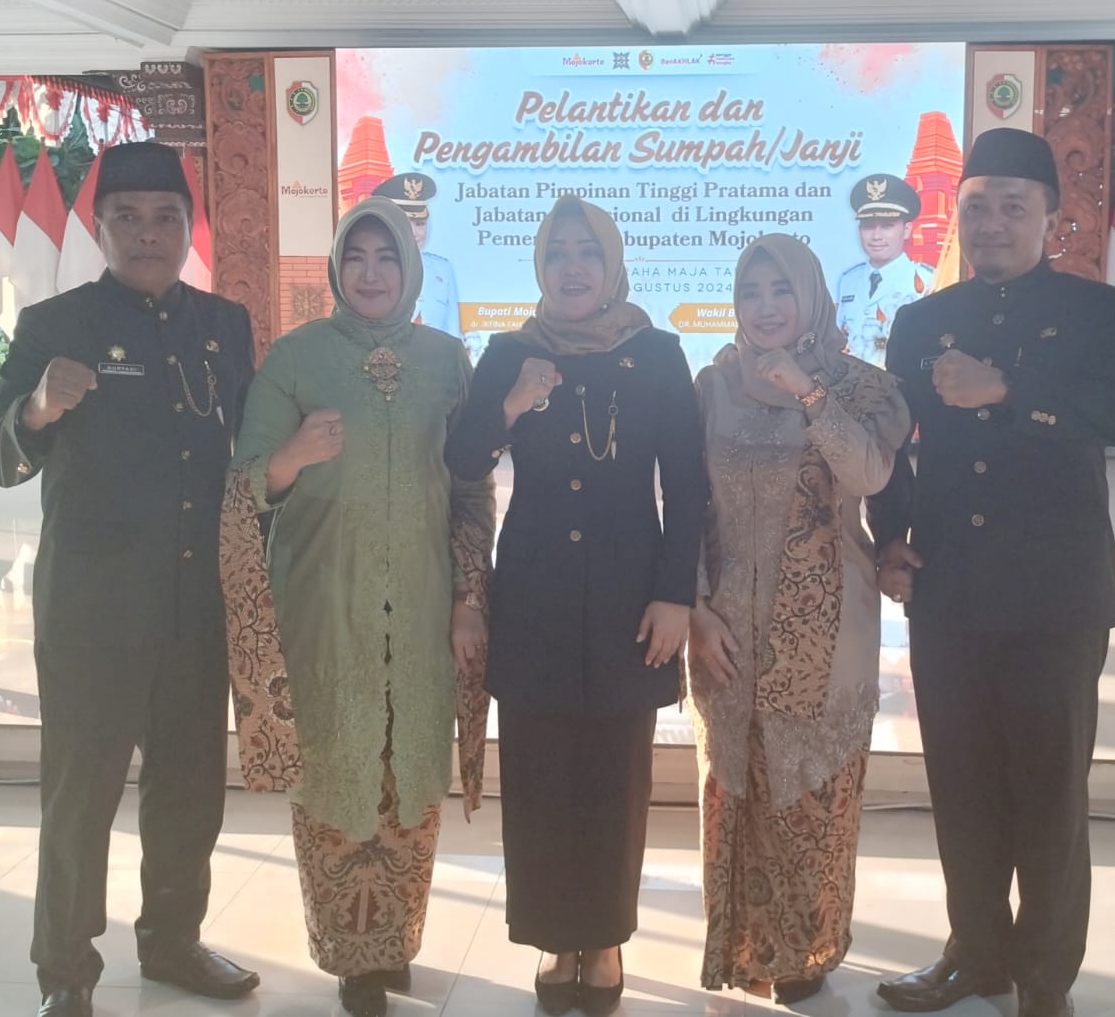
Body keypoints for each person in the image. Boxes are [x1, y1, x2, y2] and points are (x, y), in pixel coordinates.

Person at [0, 141, 260, 1017]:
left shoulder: (225, 326)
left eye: (166, 218)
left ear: (188, 228)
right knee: (81, 796)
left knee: (190, 790)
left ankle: (173, 942)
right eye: (128, 218)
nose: (148, 234)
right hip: (92, 615)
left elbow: (249, 451)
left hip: (194, 605)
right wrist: (37, 408)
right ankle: (65, 969)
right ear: (99, 228)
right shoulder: (54, 324)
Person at [868, 128, 1115, 1017]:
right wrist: (890, 534)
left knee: (1050, 795)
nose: (992, 221)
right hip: (949, 587)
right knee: (964, 787)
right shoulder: (921, 321)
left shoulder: (1101, 313)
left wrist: (1010, 388)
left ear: (1051, 218)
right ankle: (976, 953)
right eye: (977, 205)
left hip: (1056, 596)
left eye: (1013, 206)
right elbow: (891, 444)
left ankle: (1045, 977)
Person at [221, 196, 494, 1017]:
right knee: (338, 769)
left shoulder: (448, 362)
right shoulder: (296, 359)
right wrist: (294, 454)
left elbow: (471, 490)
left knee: (407, 773)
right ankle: (351, 954)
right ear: (337, 268)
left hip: (422, 607)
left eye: (387, 258)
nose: (371, 273)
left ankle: (395, 939)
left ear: (410, 268)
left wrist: (469, 598)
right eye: (356, 257)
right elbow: (244, 486)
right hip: (325, 606)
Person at [444, 195, 707, 1016]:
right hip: (535, 594)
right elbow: (461, 458)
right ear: (539, 266)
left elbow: (688, 484)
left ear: (612, 262)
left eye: (587, 251)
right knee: (539, 774)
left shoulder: (657, 353)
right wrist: (511, 403)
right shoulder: (510, 352)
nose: (572, 267)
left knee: (614, 777)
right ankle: (556, 937)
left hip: (632, 596)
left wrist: (676, 594)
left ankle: (606, 936)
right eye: (557, 252)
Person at [688, 234, 909, 1007]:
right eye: (751, 292)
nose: (766, 306)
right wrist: (693, 605)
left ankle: (806, 949)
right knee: (737, 785)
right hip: (726, 626)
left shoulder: (862, 386)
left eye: (781, 289)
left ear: (811, 295)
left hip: (827, 627)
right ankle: (744, 947)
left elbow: (870, 474)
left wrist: (810, 394)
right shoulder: (714, 385)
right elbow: (686, 505)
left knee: (812, 791)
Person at [835, 173, 933, 367]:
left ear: (906, 229)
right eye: (868, 226)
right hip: (853, 381)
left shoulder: (928, 280)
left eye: (887, 226)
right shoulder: (848, 280)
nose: (876, 236)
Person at [373, 172, 462, 340]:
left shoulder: (442, 269)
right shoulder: (372, 271)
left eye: (420, 224)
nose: (414, 232)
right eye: (405, 224)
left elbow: (452, 331)